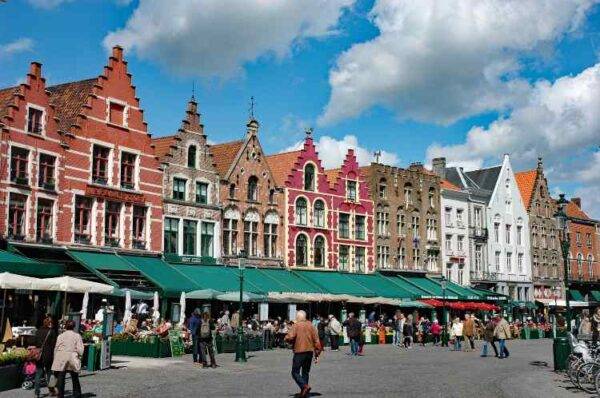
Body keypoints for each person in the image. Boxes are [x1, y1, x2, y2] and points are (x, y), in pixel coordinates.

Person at [285, 310, 322, 398]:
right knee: (305, 372)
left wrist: (286, 338)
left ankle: (304, 386)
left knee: (295, 372)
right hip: (309, 351)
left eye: (296, 317)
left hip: (299, 351)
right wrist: (317, 354)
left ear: (298, 317)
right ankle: (304, 392)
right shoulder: (311, 325)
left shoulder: (296, 325)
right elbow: (317, 340)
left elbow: (290, 337)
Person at [52, 320, 84, 398]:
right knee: (75, 377)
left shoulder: (61, 336)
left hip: (61, 357)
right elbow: (80, 349)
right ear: (74, 326)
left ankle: (60, 395)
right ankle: (77, 395)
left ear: (66, 326)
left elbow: (56, 347)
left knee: (61, 378)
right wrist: (79, 356)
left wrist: (55, 357)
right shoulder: (77, 336)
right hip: (72, 357)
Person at [34, 316, 57, 398]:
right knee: (50, 373)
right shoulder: (52, 332)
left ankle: (37, 392)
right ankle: (51, 391)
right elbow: (54, 345)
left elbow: (34, 341)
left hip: (39, 355)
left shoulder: (38, 331)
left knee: (38, 373)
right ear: (49, 323)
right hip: (48, 355)